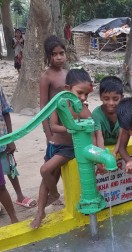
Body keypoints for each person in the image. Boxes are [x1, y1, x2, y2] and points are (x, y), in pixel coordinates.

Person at [31, 68, 93, 229]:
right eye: (79, 92)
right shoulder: (60, 105)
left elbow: (91, 125)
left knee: (45, 170)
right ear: (67, 89)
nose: (83, 97)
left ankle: (55, 194)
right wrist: (72, 127)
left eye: (86, 94)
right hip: (53, 146)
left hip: (68, 149)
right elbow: (53, 126)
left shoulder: (83, 109)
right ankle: (40, 213)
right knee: (46, 180)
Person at [40, 35, 68, 205]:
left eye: (61, 53)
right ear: (48, 56)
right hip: (54, 128)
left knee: (60, 163)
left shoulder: (68, 74)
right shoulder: (46, 77)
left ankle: (55, 196)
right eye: (54, 54)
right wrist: (48, 134)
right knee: (50, 165)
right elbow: (43, 108)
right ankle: (53, 194)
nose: (58, 57)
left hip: (68, 127)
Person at [0, 85, 36, 209]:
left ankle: (20, 196)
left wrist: (11, 139)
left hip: (3, 138)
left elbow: (5, 111)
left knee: (11, 168)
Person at [92, 76, 123, 154]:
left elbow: (122, 136)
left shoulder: (123, 112)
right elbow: (99, 137)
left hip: (118, 146)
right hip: (102, 147)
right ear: (100, 97)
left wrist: (114, 153)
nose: (111, 103)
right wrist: (103, 157)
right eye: (106, 99)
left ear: (122, 98)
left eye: (115, 99)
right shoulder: (96, 114)